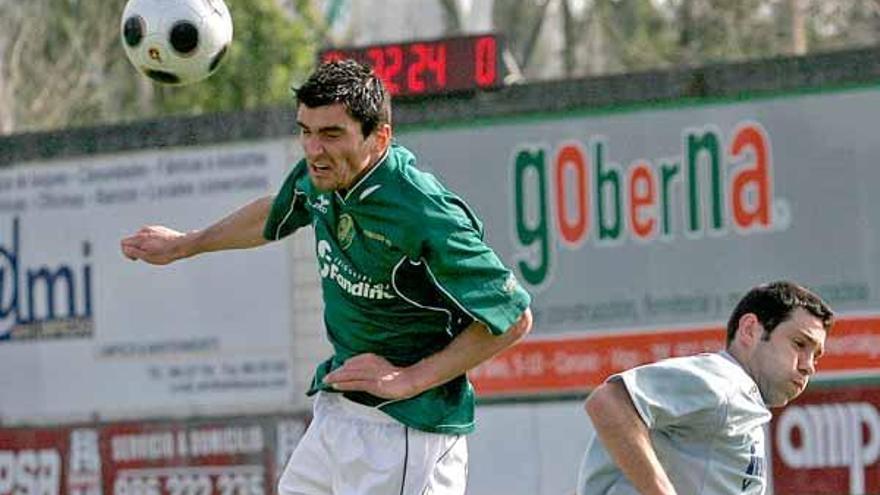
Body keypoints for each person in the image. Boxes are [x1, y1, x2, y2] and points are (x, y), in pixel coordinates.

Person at [120, 59, 532, 495]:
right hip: (338, 413)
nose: (314, 149)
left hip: (409, 430)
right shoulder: (324, 175)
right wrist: (186, 244)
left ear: (380, 137)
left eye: (331, 134)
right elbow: (275, 211)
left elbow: (514, 317)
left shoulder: (424, 212)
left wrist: (410, 379)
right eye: (305, 131)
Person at [576, 280, 834, 495]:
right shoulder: (724, 380)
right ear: (750, 330)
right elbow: (608, 402)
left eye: (816, 355)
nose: (808, 366)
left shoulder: (743, 402)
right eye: (799, 344)